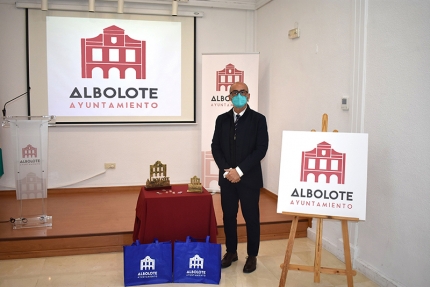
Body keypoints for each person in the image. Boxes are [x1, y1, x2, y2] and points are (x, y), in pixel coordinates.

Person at [211, 82, 269, 273]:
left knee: (251, 217)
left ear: (248, 96)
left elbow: (261, 149)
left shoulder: (258, 120)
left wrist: (240, 171)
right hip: (228, 179)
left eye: (242, 92)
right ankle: (231, 252)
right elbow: (215, 146)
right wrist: (228, 171)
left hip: (249, 179)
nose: (238, 95)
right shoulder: (222, 120)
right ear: (229, 97)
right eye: (234, 92)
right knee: (229, 216)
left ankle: (252, 255)